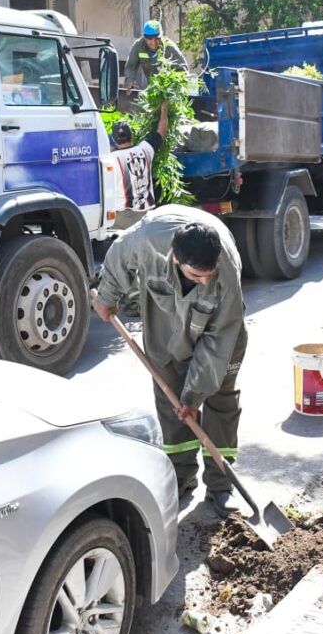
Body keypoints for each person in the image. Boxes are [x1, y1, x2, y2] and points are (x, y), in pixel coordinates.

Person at [92, 206, 247, 518]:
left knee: (220, 403)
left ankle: (220, 486)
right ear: (176, 259)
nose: (204, 282)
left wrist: (193, 398)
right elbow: (119, 258)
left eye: (208, 275)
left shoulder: (224, 275)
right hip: (165, 330)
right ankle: (181, 475)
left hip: (220, 338)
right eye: (194, 275)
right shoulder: (148, 239)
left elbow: (217, 345)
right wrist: (107, 297)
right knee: (169, 402)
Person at [109, 104, 167, 229]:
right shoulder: (146, 149)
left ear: (114, 140)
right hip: (145, 214)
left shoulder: (111, 159)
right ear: (132, 135)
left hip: (122, 218)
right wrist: (163, 110)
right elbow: (161, 131)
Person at [124, 20, 188, 91]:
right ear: (144, 37)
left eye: (157, 38)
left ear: (162, 36)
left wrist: (174, 86)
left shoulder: (170, 48)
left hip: (170, 90)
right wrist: (129, 79)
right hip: (152, 89)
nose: (153, 43)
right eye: (150, 39)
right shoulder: (139, 46)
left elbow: (183, 71)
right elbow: (130, 66)